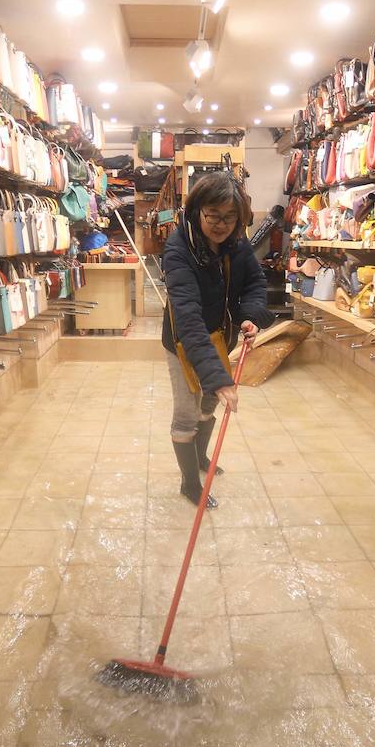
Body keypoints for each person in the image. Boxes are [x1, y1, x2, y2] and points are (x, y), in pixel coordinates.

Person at [161, 172, 274, 508]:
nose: (221, 225)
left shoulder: (236, 245)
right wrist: (217, 377)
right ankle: (189, 484)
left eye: (230, 217)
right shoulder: (178, 250)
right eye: (213, 215)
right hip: (184, 339)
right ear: (197, 211)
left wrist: (250, 315)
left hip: (219, 336)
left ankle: (200, 458)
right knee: (187, 411)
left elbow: (254, 282)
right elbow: (188, 318)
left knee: (209, 404)